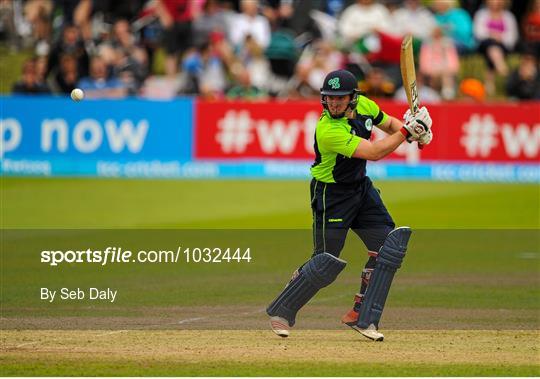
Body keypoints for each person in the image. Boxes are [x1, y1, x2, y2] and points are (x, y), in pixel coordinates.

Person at [266, 69, 433, 341]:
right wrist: (408, 131)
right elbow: (375, 152)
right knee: (325, 263)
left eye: (340, 98)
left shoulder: (365, 105)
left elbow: (390, 125)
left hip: (360, 188)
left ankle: (362, 315)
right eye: (329, 98)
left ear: (353, 97)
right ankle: (282, 310)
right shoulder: (328, 129)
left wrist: (415, 133)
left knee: (388, 248)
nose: (333, 103)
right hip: (330, 195)